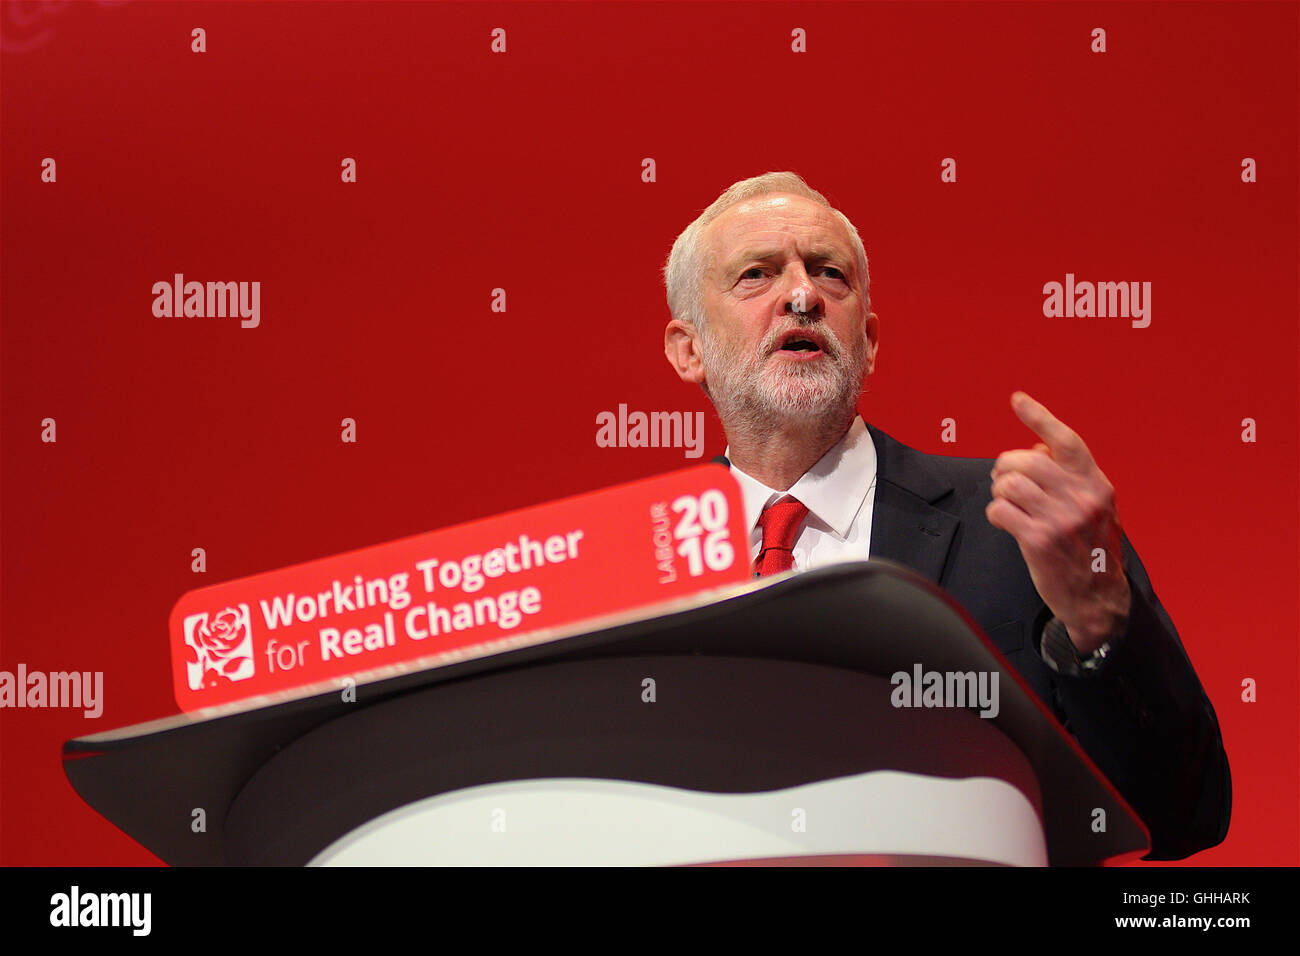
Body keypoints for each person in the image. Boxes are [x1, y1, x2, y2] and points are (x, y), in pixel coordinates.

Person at [661, 171, 1230, 860]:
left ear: (868, 340)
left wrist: (1099, 622)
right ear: (688, 350)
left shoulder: (1018, 525)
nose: (803, 295)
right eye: (757, 275)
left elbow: (1187, 811)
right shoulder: (634, 572)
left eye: (828, 274)